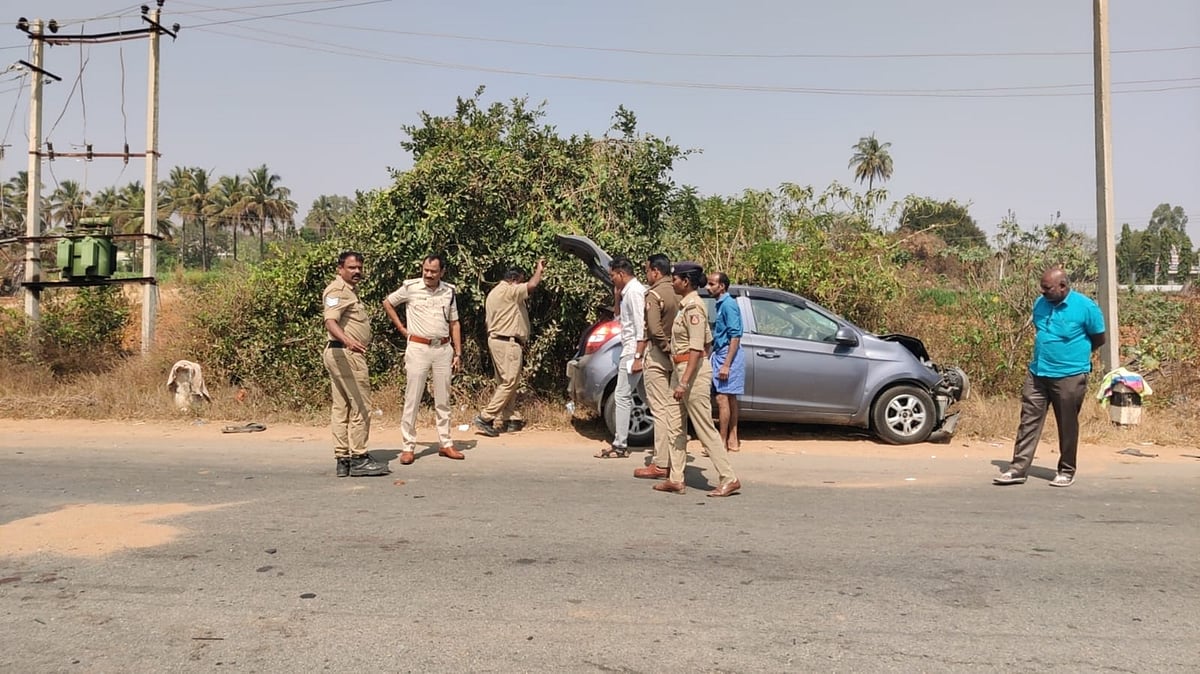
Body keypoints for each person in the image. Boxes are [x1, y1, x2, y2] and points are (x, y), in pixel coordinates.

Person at [994, 267, 1106, 487]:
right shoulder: (1040, 304)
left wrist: (1073, 357)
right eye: (1042, 289)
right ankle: (1017, 469)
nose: (1042, 293)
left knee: (1067, 424)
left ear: (1063, 286)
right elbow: (1040, 330)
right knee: (1028, 421)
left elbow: (1099, 338)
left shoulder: (1086, 307)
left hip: (1070, 376)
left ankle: (1066, 470)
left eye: (1047, 289)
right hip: (1038, 374)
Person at [654, 262, 741, 496]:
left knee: (703, 427)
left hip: (690, 373)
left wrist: (685, 381)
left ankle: (728, 477)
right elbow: (708, 342)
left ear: (686, 282)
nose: (672, 282)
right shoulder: (686, 307)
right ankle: (676, 478)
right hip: (681, 369)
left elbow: (696, 348)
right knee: (674, 425)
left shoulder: (694, 308)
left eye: (675, 279)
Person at [383, 254, 466, 465]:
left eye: (433, 271)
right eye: (426, 270)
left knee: (443, 399)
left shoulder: (449, 291)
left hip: (443, 348)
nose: (428, 274)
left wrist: (458, 353)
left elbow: (454, 323)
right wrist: (402, 328)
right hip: (418, 348)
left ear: (442, 272)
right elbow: (388, 303)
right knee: (413, 398)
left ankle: (446, 443)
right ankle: (408, 446)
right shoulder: (411, 287)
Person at [321, 251, 390, 478]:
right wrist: (349, 341)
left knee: (341, 407)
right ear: (340, 269)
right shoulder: (337, 291)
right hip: (346, 354)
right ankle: (359, 458)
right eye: (352, 267)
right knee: (361, 405)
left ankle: (343, 460)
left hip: (339, 353)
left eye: (359, 267)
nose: (357, 271)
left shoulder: (348, 292)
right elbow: (330, 321)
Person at [474, 259, 545, 437]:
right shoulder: (510, 290)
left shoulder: (494, 292)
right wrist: (539, 269)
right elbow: (532, 284)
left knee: (505, 382)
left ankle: (511, 417)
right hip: (508, 342)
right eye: (520, 280)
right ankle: (486, 416)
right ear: (515, 280)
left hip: (497, 340)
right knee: (510, 382)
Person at [632, 253, 679, 479]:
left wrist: (665, 347)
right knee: (673, 410)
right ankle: (673, 459)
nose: (646, 274)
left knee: (659, 410)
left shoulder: (654, 294)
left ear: (656, 272)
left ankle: (661, 463)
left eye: (647, 270)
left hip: (660, 355)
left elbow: (653, 328)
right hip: (679, 356)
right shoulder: (680, 292)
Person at [595, 256, 646, 458]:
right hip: (631, 350)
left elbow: (641, 325)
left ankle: (620, 445)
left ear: (622, 274)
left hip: (633, 351)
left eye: (613, 276)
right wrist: (617, 296)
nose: (612, 279)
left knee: (622, 396)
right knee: (647, 397)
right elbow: (618, 317)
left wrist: (638, 357)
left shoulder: (635, 293)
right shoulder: (627, 293)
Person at [707, 271, 744, 453]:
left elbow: (735, 336)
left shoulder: (728, 305)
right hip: (722, 352)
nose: (708, 287)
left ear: (721, 286)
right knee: (730, 397)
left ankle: (721, 441)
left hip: (727, 354)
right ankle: (732, 438)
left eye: (712, 284)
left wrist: (726, 364)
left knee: (722, 398)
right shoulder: (721, 304)